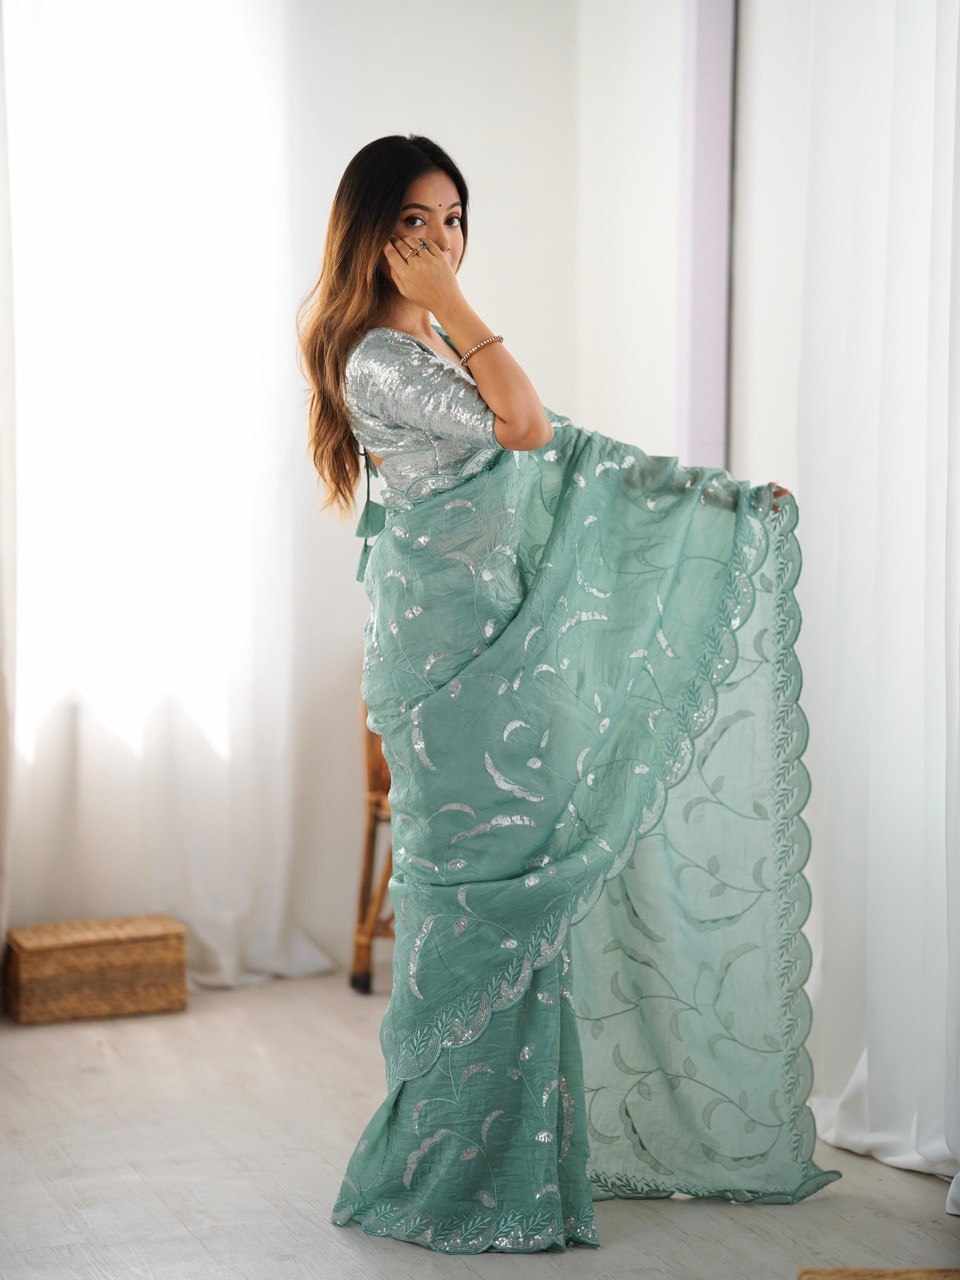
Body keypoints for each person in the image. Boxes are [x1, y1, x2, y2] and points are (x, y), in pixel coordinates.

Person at [297, 134, 842, 1256]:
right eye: (414, 221)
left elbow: (572, 457)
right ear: (370, 234)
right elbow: (529, 426)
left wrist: (722, 500)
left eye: (453, 219)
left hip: (510, 650)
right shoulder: (379, 357)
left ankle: (525, 1168)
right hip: (452, 664)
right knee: (478, 900)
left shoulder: (429, 345)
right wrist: (456, 302)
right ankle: (454, 1175)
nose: (439, 240)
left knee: (532, 890)